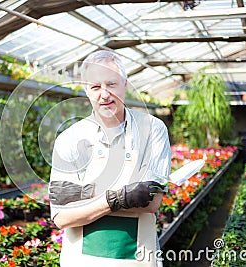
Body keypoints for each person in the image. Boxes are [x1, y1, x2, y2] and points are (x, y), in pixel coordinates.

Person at [48, 50, 171, 267]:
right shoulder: (69, 138)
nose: (104, 94)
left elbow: (151, 201)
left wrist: (86, 194)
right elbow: (61, 217)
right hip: (82, 261)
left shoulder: (152, 129)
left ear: (124, 84)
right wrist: (121, 196)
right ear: (87, 90)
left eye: (111, 84)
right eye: (95, 87)